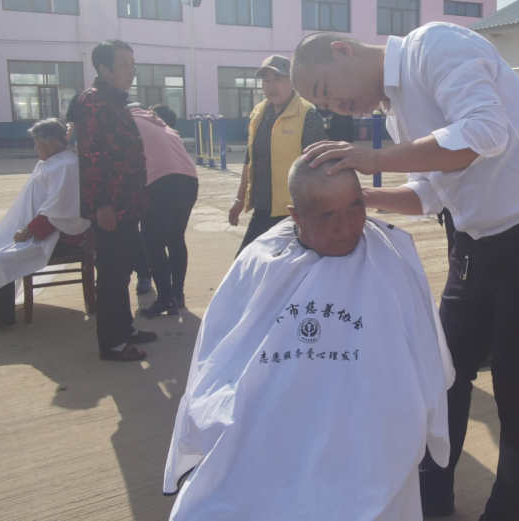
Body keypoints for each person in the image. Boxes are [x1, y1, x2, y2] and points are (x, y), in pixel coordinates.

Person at [291, 23, 519, 521]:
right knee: (442, 374)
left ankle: (506, 512)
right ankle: (432, 500)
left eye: (327, 91)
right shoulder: (396, 113)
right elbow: (430, 193)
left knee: (518, 382)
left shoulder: (434, 47)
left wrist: (374, 159)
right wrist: (357, 199)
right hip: (477, 243)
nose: (337, 107)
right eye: (325, 106)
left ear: (342, 51)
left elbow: (483, 133)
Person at [163, 156, 454, 520]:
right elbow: (220, 357)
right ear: (296, 216)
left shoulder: (390, 257)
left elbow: (425, 354)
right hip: (271, 421)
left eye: (355, 208)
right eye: (327, 216)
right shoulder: (261, 262)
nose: (347, 227)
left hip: (368, 424)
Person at [72, 40, 156, 362]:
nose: (131, 71)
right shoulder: (92, 102)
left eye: (133, 64)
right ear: (104, 68)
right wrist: (103, 204)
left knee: (123, 270)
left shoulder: (116, 101)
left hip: (128, 203)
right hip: (111, 206)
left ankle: (125, 328)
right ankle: (111, 343)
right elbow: (93, 157)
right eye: (124, 64)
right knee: (110, 274)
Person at [0, 118, 91, 335]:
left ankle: (1, 318)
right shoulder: (53, 161)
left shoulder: (66, 165)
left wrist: (29, 231)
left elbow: (59, 210)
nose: (34, 148)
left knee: (0, 259)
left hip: (60, 237)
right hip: (46, 230)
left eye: (36, 142)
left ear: (51, 143)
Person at [228, 54, 326, 257]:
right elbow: (249, 159)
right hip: (263, 206)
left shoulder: (307, 115)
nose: (271, 86)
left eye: (278, 79)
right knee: (245, 260)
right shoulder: (258, 113)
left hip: (294, 212)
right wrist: (239, 200)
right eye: (266, 80)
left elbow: (316, 168)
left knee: (291, 266)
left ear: (292, 81)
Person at [130, 104, 199, 317]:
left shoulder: (127, 120)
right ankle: (177, 295)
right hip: (189, 180)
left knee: (153, 244)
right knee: (176, 239)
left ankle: (165, 299)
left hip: (162, 182)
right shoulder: (161, 124)